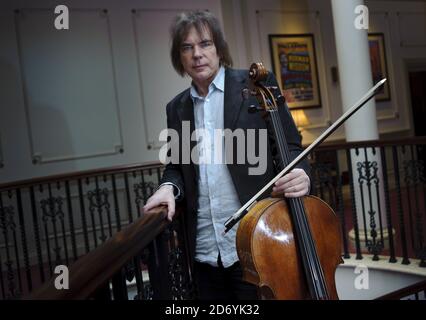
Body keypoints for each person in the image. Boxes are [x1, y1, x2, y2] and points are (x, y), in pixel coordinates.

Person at [143, 10, 310, 300]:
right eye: (187, 47)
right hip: (205, 250)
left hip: (256, 242)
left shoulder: (256, 87)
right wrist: (168, 187)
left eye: (205, 44)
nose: (197, 54)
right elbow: (176, 166)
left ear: (219, 48)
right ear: (179, 57)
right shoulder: (176, 108)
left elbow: (292, 147)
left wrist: (302, 174)